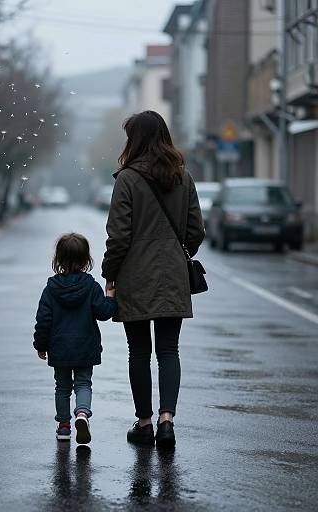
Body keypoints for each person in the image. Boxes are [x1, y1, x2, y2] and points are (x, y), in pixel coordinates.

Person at [101, 111, 205, 448]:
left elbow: (118, 236)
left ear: (136, 139)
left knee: (139, 352)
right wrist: (177, 252)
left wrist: (110, 274)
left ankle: (144, 423)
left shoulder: (127, 179)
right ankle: (167, 421)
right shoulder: (182, 177)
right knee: (169, 349)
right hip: (173, 274)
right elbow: (196, 231)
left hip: (135, 275)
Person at [33, 233, 117, 444]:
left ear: (58, 259)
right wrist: (110, 297)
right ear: (86, 260)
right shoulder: (91, 286)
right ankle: (82, 414)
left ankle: (63, 427)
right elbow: (103, 312)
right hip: (85, 347)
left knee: (62, 387)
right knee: (83, 384)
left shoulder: (50, 290)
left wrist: (41, 345)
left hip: (59, 347)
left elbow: (43, 319)